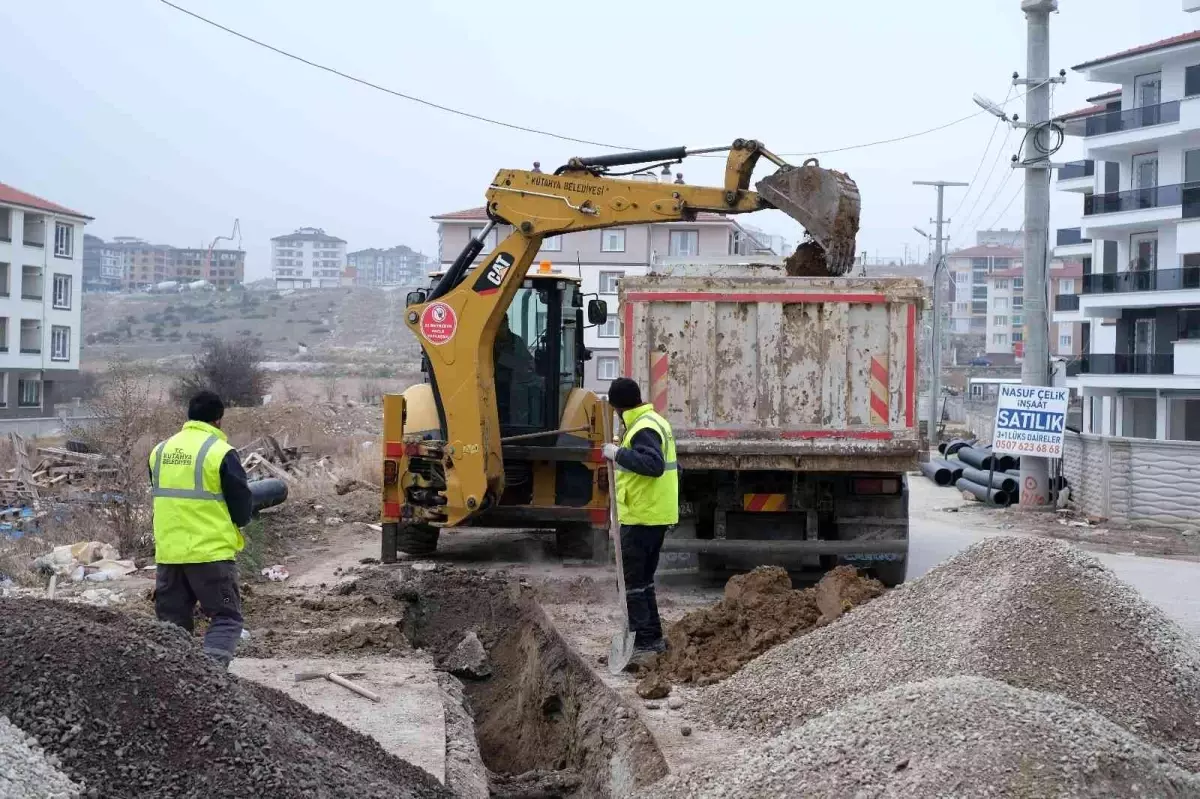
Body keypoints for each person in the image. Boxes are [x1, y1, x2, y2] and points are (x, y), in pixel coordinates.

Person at [149, 390, 253, 668]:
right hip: (210, 555)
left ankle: (177, 684)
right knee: (226, 618)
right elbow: (241, 506)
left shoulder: (159, 451)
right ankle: (211, 678)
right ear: (218, 420)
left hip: (169, 555)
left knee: (172, 627)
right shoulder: (220, 453)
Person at [602, 377, 678, 657]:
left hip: (642, 517)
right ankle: (652, 637)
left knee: (632, 581)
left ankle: (644, 644)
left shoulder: (643, 427)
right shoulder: (653, 421)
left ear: (617, 407)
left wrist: (619, 453)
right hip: (653, 514)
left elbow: (653, 465)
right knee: (643, 579)